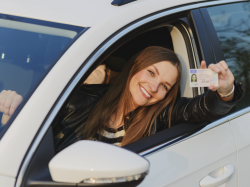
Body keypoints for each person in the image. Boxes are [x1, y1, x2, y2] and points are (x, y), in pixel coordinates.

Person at [0, 46, 243, 152]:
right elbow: (39, 144)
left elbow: (202, 109)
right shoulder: (79, 100)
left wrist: (225, 90)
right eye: (151, 72)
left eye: (164, 86)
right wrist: (14, 114)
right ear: (134, 67)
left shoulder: (162, 116)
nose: (153, 87)